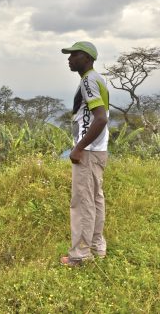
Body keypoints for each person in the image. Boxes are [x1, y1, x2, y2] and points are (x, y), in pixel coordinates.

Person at [60, 41, 109, 266]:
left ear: (88, 59)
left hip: (88, 151)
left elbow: (100, 117)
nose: (69, 59)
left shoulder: (89, 80)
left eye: (74, 55)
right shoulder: (96, 79)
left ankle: (80, 256)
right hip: (99, 150)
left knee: (82, 202)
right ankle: (97, 247)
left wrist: (79, 147)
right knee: (96, 199)